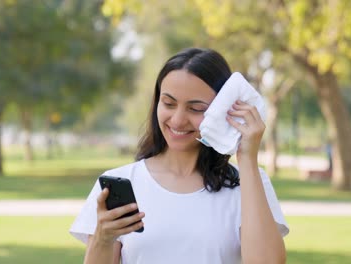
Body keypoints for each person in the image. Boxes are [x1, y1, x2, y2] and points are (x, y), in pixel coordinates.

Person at [70, 47, 289, 264]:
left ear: (224, 110)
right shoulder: (122, 183)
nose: (177, 120)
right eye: (168, 103)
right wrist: (103, 237)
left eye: (196, 108)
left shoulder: (249, 183)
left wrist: (247, 159)